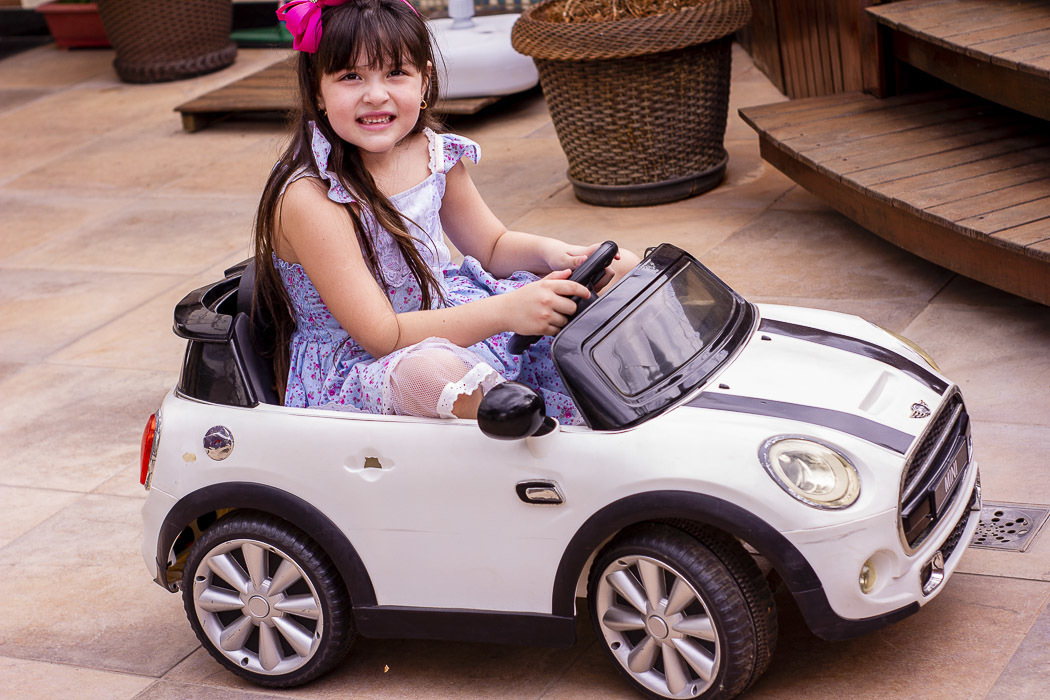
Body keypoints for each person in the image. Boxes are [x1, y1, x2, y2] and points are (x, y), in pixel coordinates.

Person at [254, 0, 638, 424]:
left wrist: (558, 255)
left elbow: (492, 246)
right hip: (367, 361)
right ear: (316, 90)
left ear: (424, 81)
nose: (376, 94)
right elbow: (384, 335)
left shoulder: (432, 153)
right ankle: (522, 442)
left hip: (445, 309)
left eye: (396, 72)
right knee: (433, 374)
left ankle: (624, 410)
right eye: (350, 77)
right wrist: (506, 312)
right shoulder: (311, 196)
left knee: (619, 270)